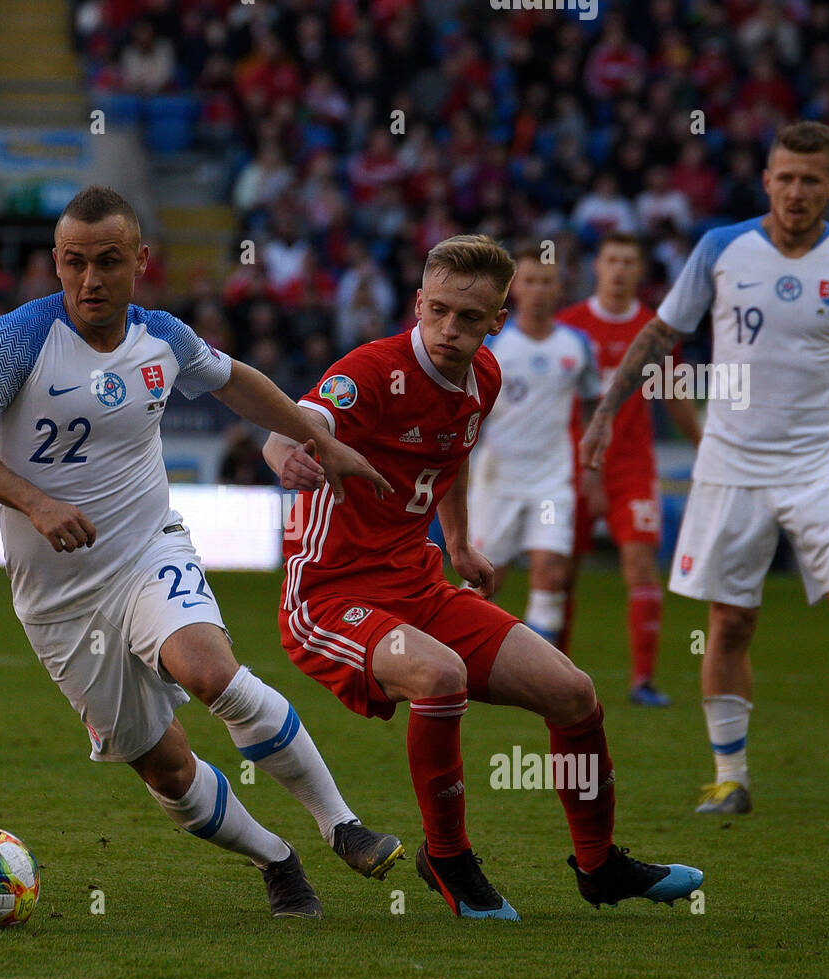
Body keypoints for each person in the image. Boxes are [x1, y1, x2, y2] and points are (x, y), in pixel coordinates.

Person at [0, 186, 403, 919]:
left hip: (148, 550)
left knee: (209, 668)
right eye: (75, 263)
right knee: (167, 767)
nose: (91, 281)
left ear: (140, 261)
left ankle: (341, 822)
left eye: (109, 262)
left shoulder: (165, 338)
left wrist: (324, 442)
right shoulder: (15, 339)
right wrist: (36, 501)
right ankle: (276, 856)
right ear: (55, 262)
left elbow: (238, 384)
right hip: (58, 599)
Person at [264, 233, 702, 921]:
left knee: (575, 692)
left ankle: (599, 864)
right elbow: (290, 423)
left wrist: (461, 541)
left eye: (469, 318)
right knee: (440, 677)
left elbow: (452, 453)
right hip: (330, 597)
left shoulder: (484, 377)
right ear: (417, 302)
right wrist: (287, 455)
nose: (448, 329)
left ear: (495, 320)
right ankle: (449, 856)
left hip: (420, 585)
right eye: (437, 310)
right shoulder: (372, 371)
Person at [580, 121, 829, 813]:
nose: (797, 191)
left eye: (812, 180)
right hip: (732, 464)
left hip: (820, 465)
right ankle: (731, 777)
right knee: (730, 622)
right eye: (785, 177)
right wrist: (605, 411)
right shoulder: (721, 249)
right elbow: (664, 331)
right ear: (767, 180)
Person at [557, 233, 702, 705]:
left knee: (641, 567)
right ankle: (552, 676)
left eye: (628, 262)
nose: (619, 269)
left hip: (633, 470)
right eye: (611, 259)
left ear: (638, 271)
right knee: (562, 572)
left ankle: (642, 680)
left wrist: (706, 448)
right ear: (597, 265)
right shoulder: (570, 327)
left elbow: (676, 398)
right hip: (572, 466)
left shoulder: (654, 331)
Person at [466, 245, 600, 649]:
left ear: (560, 287)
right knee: (487, 578)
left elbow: (594, 404)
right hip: (497, 478)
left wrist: (593, 470)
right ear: (514, 289)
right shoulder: (492, 347)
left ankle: (544, 677)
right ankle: (461, 657)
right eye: (530, 281)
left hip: (551, 480)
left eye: (547, 281)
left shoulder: (576, 345)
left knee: (551, 571)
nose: (539, 289)